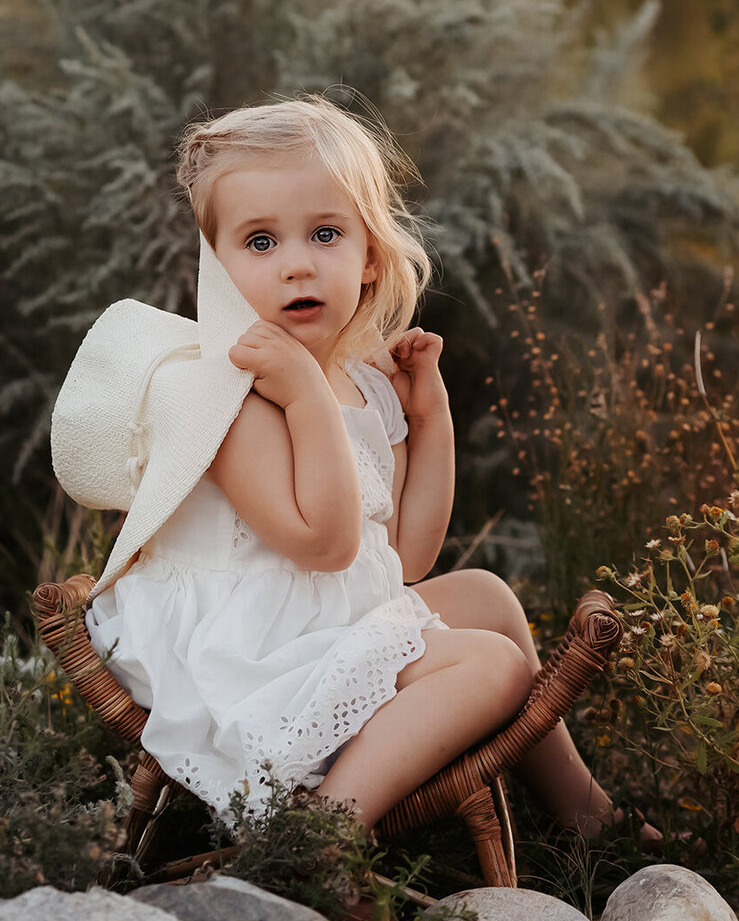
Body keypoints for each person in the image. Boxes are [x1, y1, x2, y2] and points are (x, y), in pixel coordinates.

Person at [51, 93, 619, 835]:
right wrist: (305, 400)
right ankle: (325, 830)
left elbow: (404, 559)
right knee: (495, 667)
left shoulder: (365, 381)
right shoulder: (228, 397)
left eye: (325, 234)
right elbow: (325, 544)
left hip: (322, 620)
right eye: (259, 243)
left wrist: (428, 419)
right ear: (215, 265)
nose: (296, 266)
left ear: (370, 254)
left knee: (485, 595)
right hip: (243, 652)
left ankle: (581, 812)